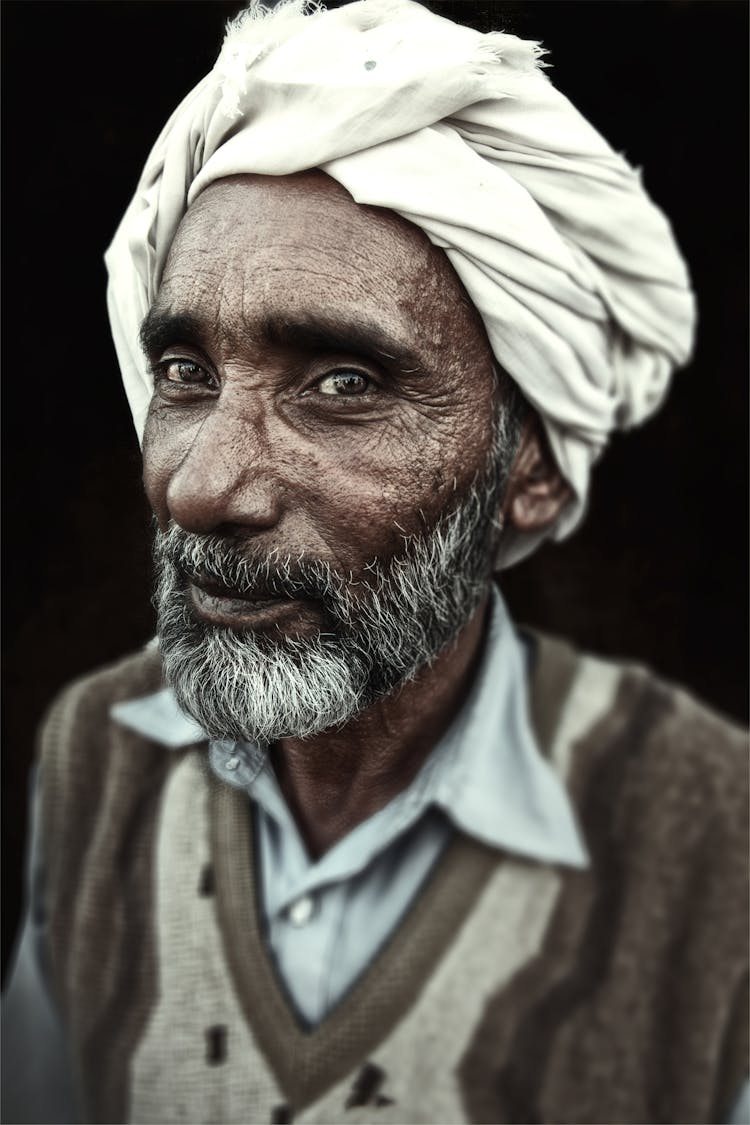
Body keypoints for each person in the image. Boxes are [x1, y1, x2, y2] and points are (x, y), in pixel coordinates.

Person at [2, 2, 747, 1123]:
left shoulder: (714, 836)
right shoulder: (94, 760)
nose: (203, 487)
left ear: (529, 470)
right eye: (185, 372)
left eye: (342, 383)